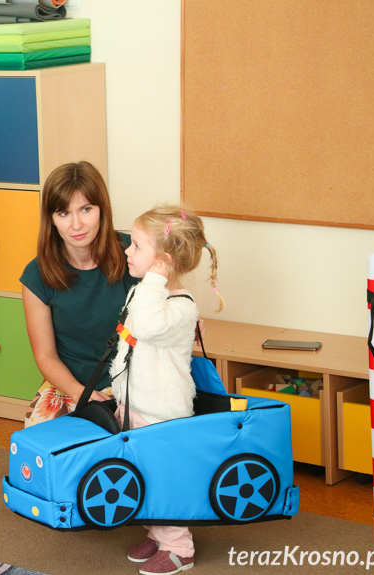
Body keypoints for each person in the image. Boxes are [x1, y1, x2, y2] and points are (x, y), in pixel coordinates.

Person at [112, 204, 222, 575]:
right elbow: (127, 344)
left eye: (137, 246)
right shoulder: (145, 294)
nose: (127, 250)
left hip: (161, 413)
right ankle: (158, 534)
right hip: (135, 405)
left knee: (163, 480)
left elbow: (144, 326)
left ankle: (179, 547)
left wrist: (154, 282)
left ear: (164, 261)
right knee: (143, 476)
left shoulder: (179, 308)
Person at [20, 161, 137, 427]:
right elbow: (45, 356)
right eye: (63, 213)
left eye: (86, 209)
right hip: (70, 386)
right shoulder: (36, 275)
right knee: (44, 448)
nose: (76, 224)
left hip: (135, 381)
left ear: (101, 210)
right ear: (51, 219)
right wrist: (80, 393)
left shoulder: (133, 253)